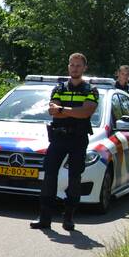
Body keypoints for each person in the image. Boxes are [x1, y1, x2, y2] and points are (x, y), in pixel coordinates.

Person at [30, 53, 99, 231]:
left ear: (84, 68)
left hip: (78, 138)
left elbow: (86, 112)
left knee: (74, 178)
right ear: (68, 67)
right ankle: (45, 218)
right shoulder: (59, 88)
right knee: (49, 176)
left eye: (78, 65)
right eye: (72, 65)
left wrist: (63, 109)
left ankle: (68, 218)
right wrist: (70, 110)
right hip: (58, 137)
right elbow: (53, 111)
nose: (74, 68)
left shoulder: (90, 90)